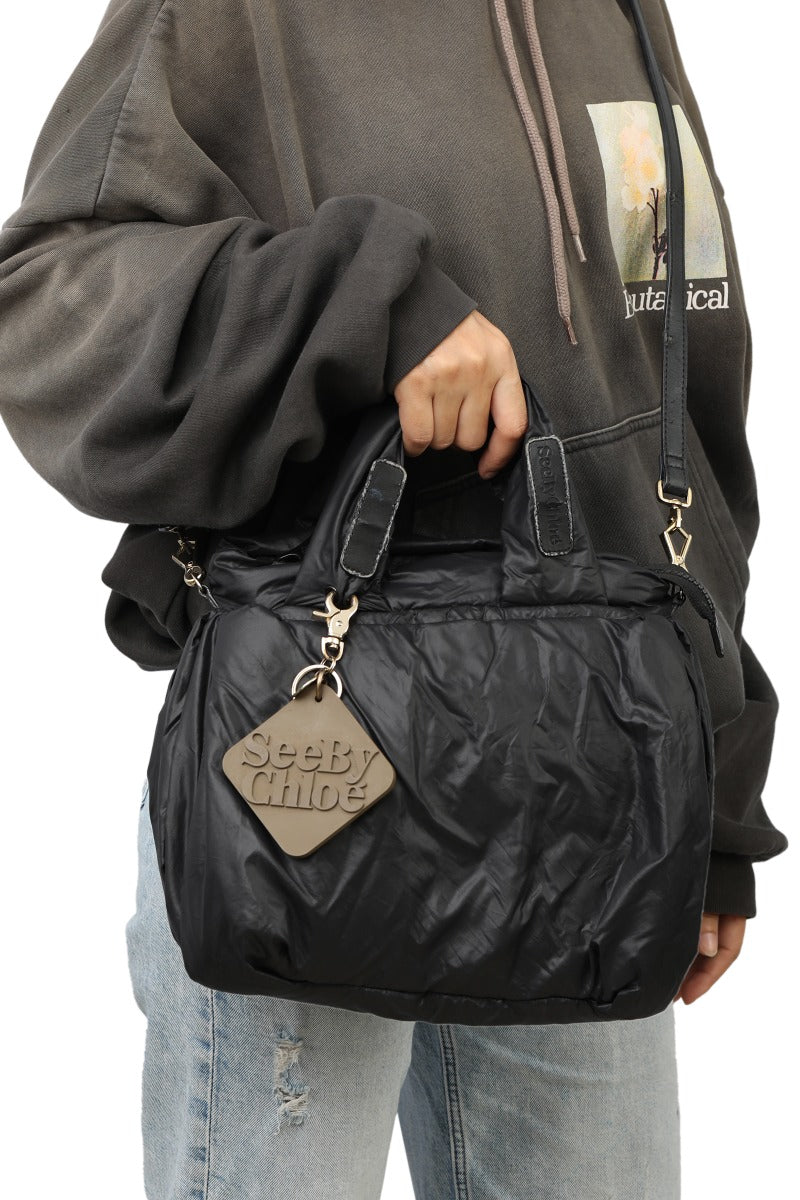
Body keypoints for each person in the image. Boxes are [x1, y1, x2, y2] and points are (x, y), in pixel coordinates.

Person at [0, 1, 788, 1196]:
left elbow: (680, 412)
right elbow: (48, 305)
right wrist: (363, 304)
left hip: (588, 784)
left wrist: (715, 786)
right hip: (306, 785)